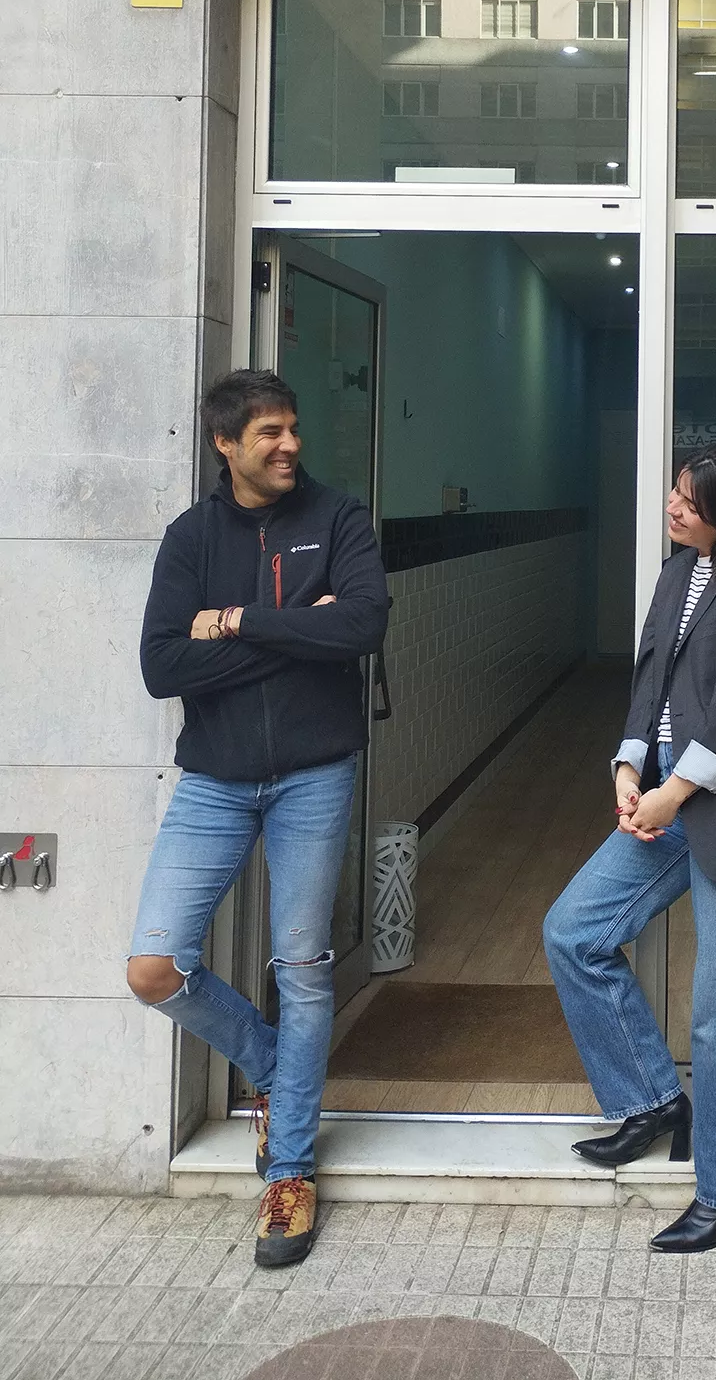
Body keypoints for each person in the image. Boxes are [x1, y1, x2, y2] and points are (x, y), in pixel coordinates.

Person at [127, 369, 388, 1268]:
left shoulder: (340, 519)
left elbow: (358, 627)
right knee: (155, 966)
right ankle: (279, 1070)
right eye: (269, 432)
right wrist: (286, 631)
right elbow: (163, 667)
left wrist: (235, 623)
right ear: (225, 445)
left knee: (304, 964)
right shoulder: (190, 538)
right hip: (215, 781)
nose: (290, 445)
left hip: (315, 774)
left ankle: (290, 1169)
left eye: (294, 427)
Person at [544, 444, 716, 1253]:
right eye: (675, 488)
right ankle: (653, 1100)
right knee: (574, 931)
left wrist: (671, 791)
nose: (672, 503)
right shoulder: (675, 571)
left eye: (691, 499)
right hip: (663, 796)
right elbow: (650, 677)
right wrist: (628, 762)